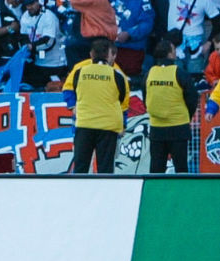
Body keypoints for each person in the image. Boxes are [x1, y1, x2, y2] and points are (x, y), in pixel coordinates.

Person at [63, 36, 130, 175]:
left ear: (91, 54)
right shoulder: (117, 75)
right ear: (108, 55)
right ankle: (104, 196)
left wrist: (73, 106)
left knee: (80, 168)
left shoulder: (79, 71)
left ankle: (79, 195)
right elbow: (123, 102)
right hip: (108, 127)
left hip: (84, 124)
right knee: (105, 170)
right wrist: (122, 125)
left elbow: (69, 89)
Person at [141, 34, 199, 174]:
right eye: (173, 50)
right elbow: (192, 98)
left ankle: (155, 195)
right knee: (181, 169)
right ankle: (182, 195)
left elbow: (145, 97)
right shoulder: (180, 73)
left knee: (156, 169)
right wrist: (186, 116)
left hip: (157, 127)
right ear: (170, 53)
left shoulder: (149, 74)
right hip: (178, 127)